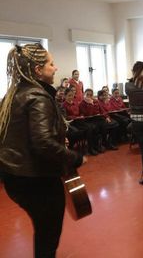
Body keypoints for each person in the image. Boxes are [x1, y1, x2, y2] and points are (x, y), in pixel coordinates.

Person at [0, 43, 85, 258]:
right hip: (36, 179)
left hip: (13, 176)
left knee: (43, 227)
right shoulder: (38, 97)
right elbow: (43, 143)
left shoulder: (13, 94)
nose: (56, 68)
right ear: (38, 70)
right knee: (48, 234)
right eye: (51, 64)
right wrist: (75, 158)